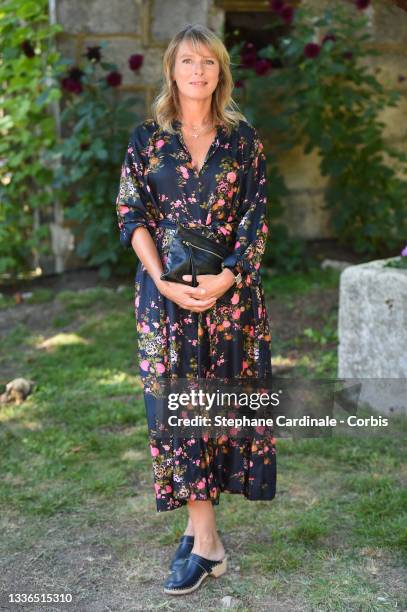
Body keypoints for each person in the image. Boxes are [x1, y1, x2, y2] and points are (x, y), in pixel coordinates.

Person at [115, 22, 277, 596]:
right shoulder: (146, 140)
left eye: (209, 62)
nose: (199, 71)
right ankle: (206, 541)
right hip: (165, 300)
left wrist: (227, 277)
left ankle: (200, 533)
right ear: (172, 70)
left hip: (229, 300)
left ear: (221, 72)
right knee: (177, 412)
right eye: (188, 61)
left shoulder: (243, 139)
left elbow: (257, 219)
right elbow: (131, 216)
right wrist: (162, 281)